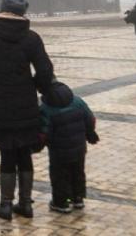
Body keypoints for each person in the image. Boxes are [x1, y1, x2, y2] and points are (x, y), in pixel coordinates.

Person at [0, 0, 54, 221]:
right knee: (24, 153)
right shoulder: (32, 38)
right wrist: (35, 87)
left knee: (8, 153)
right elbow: (46, 72)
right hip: (25, 105)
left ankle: (5, 204)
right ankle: (25, 203)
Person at [39, 81, 100, 214]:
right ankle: (78, 198)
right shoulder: (78, 101)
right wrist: (90, 133)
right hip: (79, 148)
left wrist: (38, 145)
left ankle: (61, 202)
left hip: (58, 151)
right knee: (78, 172)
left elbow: (44, 132)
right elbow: (90, 119)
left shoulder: (46, 109)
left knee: (59, 175)